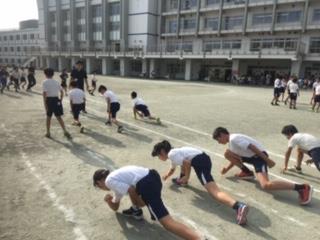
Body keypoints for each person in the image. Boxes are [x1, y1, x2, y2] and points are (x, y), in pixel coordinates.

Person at [151, 140, 249, 225]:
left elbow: (187, 163)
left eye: (158, 155)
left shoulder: (171, 154)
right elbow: (177, 167)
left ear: (162, 152)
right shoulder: (174, 153)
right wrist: (169, 175)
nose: (159, 158)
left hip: (200, 162)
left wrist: (186, 177)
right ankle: (182, 181)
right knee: (204, 184)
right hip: (202, 159)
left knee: (214, 192)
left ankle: (238, 206)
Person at [93, 166, 201, 240]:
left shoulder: (109, 181)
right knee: (163, 217)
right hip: (153, 176)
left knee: (167, 223)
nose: (102, 189)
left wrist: (139, 204)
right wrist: (109, 201)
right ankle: (135, 210)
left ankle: (198, 238)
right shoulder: (116, 178)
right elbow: (116, 206)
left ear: (99, 182)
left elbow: (131, 190)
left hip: (146, 184)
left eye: (99, 187)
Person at [212, 127, 313, 205]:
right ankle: (246, 172)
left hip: (258, 157)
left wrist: (267, 160)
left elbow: (252, 147)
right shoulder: (231, 143)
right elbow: (236, 158)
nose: (219, 142)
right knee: (227, 153)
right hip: (250, 157)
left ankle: (302, 187)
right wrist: (227, 169)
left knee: (266, 185)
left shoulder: (234, 138)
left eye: (218, 139)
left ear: (222, 134)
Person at [42, 68, 71, 139]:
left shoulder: (45, 82)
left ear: (45, 74)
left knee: (48, 117)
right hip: (56, 99)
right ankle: (65, 131)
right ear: (53, 74)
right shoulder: (56, 82)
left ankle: (48, 132)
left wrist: (45, 104)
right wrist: (60, 100)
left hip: (49, 100)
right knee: (59, 117)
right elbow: (62, 92)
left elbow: (44, 94)